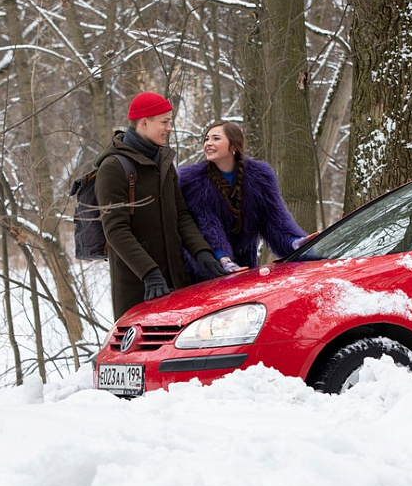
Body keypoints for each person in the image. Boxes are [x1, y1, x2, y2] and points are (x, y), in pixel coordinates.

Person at [95, 92, 225, 319]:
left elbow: (181, 215)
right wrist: (149, 273)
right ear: (144, 122)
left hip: (177, 281)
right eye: (164, 122)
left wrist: (202, 252)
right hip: (139, 287)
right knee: (144, 353)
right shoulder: (113, 167)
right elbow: (115, 230)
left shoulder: (164, 163)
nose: (169, 128)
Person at [178, 120, 310, 279]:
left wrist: (294, 242)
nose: (208, 143)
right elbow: (206, 224)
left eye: (216, 138)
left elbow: (274, 218)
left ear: (234, 146)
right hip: (205, 267)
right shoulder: (193, 181)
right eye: (206, 139)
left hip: (245, 264)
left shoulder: (260, 176)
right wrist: (221, 258)